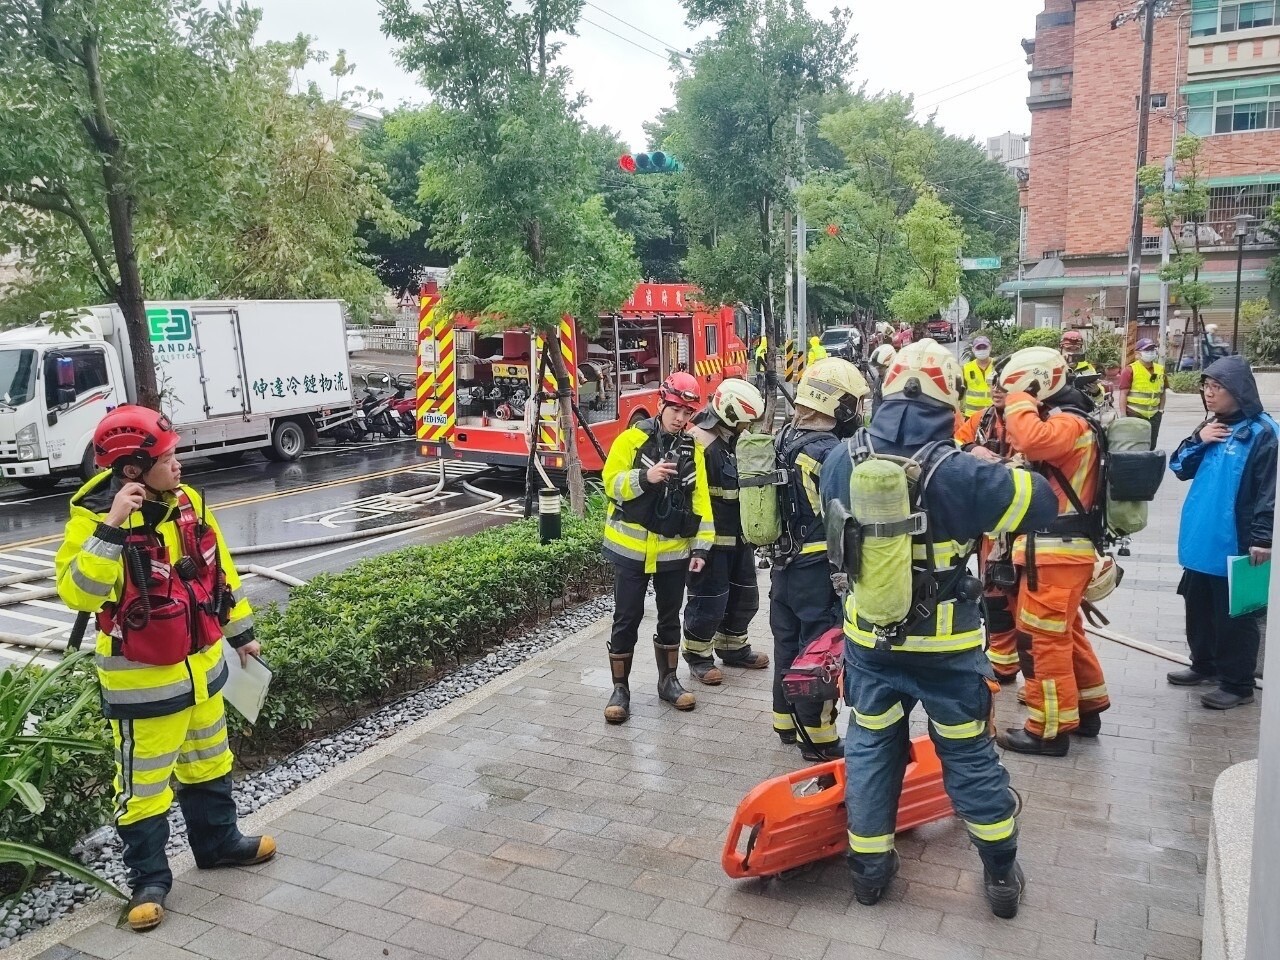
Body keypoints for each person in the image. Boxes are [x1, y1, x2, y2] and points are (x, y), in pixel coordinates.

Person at [823, 339, 1057, 918]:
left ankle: (869, 874)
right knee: (969, 756)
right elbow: (1044, 503)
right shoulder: (960, 473)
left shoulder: (840, 459)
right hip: (948, 654)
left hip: (870, 644)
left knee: (871, 750)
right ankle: (1001, 873)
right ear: (949, 397)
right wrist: (991, 466)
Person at [54, 405, 275, 933]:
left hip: (202, 669)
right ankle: (149, 880)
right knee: (143, 784)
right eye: (166, 457)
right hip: (143, 683)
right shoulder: (92, 520)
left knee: (209, 758)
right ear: (131, 470)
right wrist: (110, 529)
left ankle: (219, 843)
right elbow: (76, 593)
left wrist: (242, 636)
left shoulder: (190, 503)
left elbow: (220, 571)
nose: (178, 465)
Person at [996, 348, 1111, 756]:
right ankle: (1087, 704)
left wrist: (1019, 400)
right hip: (1059, 551)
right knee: (1065, 634)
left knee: (1040, 641)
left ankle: (1048, 729)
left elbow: (1031, 440)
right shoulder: (1074, 421)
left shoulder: (1067, 422)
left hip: (1055, 550)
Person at [771, 357, 870, 761]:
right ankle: (820, 736)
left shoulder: (783, 438)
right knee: (821, 648)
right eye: (854, 402)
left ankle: (785, 721)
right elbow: (847, 512)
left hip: (783, 566)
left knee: (786, 644)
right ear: (839, 405)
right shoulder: (832, 453)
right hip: (818, 570)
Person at [602, 372, 715, 724]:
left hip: (672, 551)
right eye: (676, 409)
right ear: (662, 403)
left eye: (687, 412)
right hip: (630, 551)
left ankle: (668, 681)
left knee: (670, 618)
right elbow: (610, 483)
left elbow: (700, 500)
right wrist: (643, 478)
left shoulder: (691, 449)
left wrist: (701, 549)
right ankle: (620, 689)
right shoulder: (630, 440)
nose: (681, 418)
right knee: (626, 618)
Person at [1168, 356, 1278, 709]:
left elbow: (1269, 490)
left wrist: (1262, 537)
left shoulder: (1263, 433)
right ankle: (1204, 664)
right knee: (1198, 606)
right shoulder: (1212, 426)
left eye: (1217, 388)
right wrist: (1199, 439)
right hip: (1202, 539)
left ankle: (1237, 684)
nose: (1209, 394)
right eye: (1206, 387)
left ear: (1238, 391)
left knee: (1236, 616)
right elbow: (1179, 467)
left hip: (1237, 542)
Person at [682, 379, 771, 683]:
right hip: (711, 542)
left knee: (745, 597)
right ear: (732, 413)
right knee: (709, 600)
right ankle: (697, 656)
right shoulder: (698, 440)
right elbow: (691, 497)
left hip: (740, 537)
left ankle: (733, 648)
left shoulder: (736, 438)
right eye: (747, 418)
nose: (750, 424)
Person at [955, 382, 1020, 683]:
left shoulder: (1032, 423)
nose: (997, 390)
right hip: (989, 528)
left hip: (1021, 527)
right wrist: (972, 449)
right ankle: (1003, 663)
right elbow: (955, 446)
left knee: (1021, 599)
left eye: (1005, 386)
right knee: (993, 596)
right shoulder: (982, 419)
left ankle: (1017, 663)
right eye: (995, 383)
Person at [1115, 338, 1166, 448]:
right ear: (1138, 354)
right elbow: (1123, 394)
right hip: (1135, 414)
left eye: (1153, 349)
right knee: (1135, 446)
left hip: (1154, 415)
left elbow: (1163, 392)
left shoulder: (1160, 369)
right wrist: (1123, 416)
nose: (1151, 352)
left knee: (1151, 446)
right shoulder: (1130, 370)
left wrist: (1160, 411)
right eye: (1147, 350)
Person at [1060, 329, 1104, 404]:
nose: (1072, 353)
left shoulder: (1088, 368)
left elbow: (1100, 401)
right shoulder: (1053, 367)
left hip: (1081, 410)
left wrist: (1096, 391)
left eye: (1076, 349)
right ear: (1061, 349)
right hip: (1058, 409)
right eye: (1068, 349)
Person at [962, 336, 996, 418]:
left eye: (984, 347)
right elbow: (959, 393)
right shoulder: (966, 368)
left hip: (993, 414)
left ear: (990, 347)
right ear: (973, 350)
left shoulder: (998, 365)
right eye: (978, 348)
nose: (982, 350)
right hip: (971, 416)